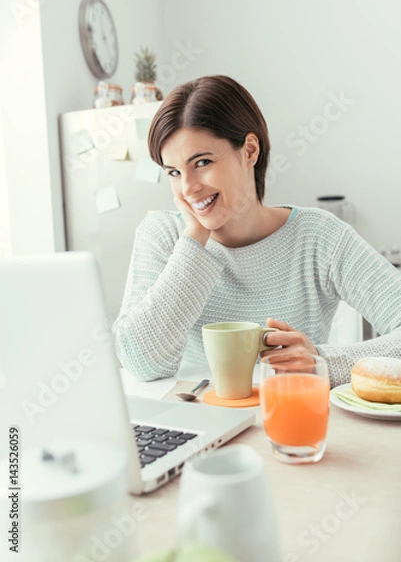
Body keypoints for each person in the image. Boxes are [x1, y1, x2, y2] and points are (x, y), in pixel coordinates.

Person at [112, 75, 401, 386]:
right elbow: (140, 363)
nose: (188, 188)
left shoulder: (319, 236)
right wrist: (194, 239)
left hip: (290, 422)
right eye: (174, 172)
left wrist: (322, 362)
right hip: (197, 422)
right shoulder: (163, 235)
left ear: (249, 151)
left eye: (203, 162)